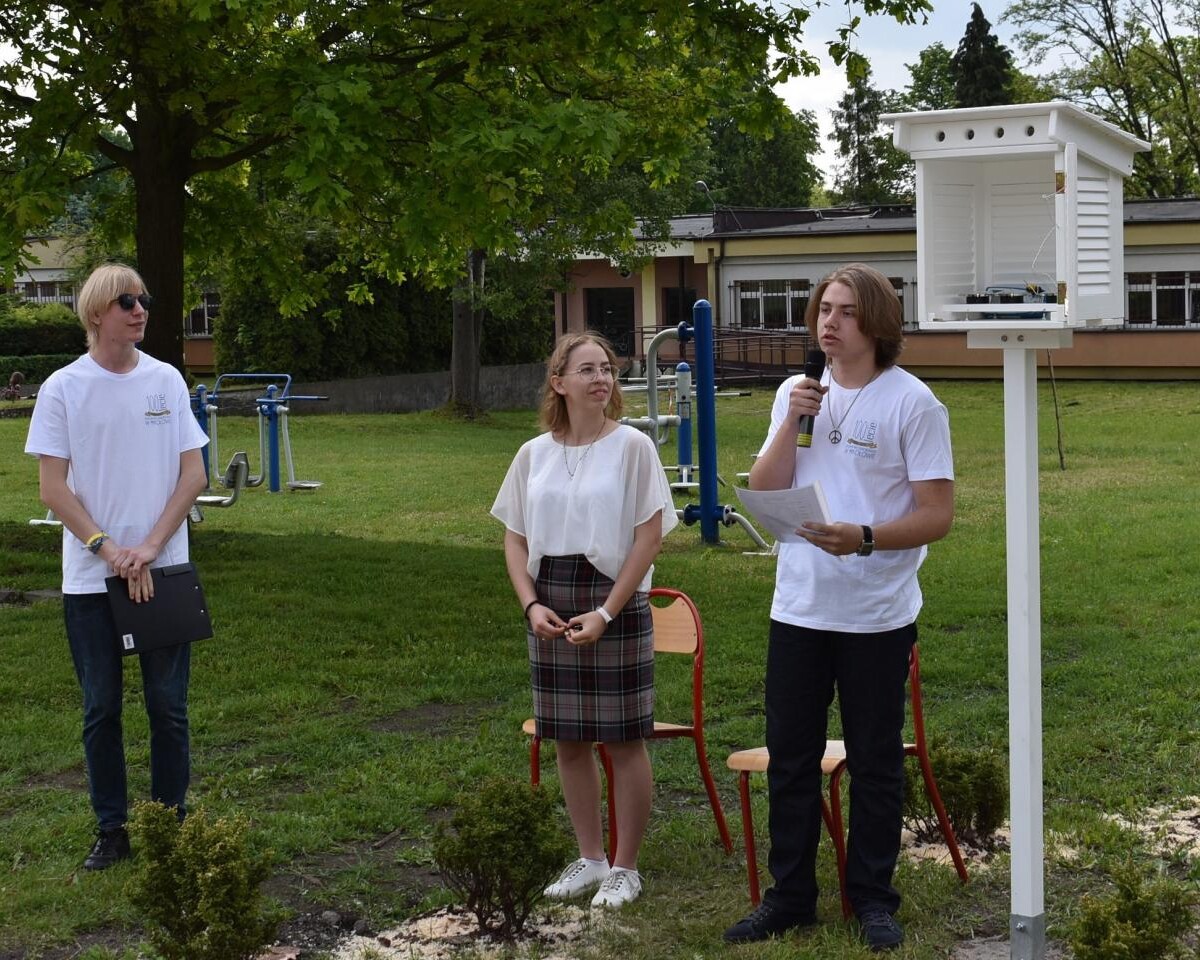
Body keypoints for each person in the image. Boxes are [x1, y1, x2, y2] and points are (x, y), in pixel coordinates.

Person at [723, 263, 954, 952]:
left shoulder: (914, 403)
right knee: (791, 761)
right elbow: (764, 489)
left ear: (877, 322)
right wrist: (790, 420)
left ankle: (873, 900)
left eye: (846, 311)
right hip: (798, 607)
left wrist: (867, 539)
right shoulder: (800, 394)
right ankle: (790, 897)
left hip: (875, 613)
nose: (829, 322)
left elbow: (938, 514)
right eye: (823, 309)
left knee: (875, 762)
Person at [25, 264, 209, 870]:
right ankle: (112, 830)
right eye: (126, 301)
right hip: (91, 578)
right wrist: (109, 550)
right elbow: (54, 490)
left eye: (145, 299)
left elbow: (194, 475)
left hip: (163, 570)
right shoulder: (62, 388)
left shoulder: (168, 381)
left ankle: (168, 824)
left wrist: (151, 547)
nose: (140, 309)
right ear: (96, 313)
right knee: (101, 708)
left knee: (168, 706)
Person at [491, 331, 677, 910]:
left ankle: (626, 867)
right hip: (550, 600)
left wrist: (605, 611)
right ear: (559, 383)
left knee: (622, 740)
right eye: (589, 369)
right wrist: (529, 603)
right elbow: (515, 540)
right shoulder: (532, 454)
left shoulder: (633, 448)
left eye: (609, 370)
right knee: (567, 740)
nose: (602, 379)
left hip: (612, 600)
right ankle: (591, 859)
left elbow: (649, 538)